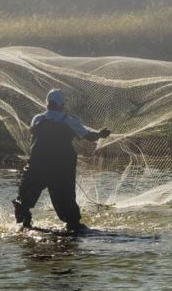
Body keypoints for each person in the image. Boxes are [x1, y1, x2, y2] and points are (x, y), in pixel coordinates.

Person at [12, 89, 111, 232]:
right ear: (62, 105)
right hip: (61, 168)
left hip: (37, 166)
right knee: (66, 200)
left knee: (24, 198)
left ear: (47, 103)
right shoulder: (70, 120)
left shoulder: (38, 119)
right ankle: (73, 228)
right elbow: (88, 136)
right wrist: (101, 134)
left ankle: (24, 226)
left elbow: (33, 136)